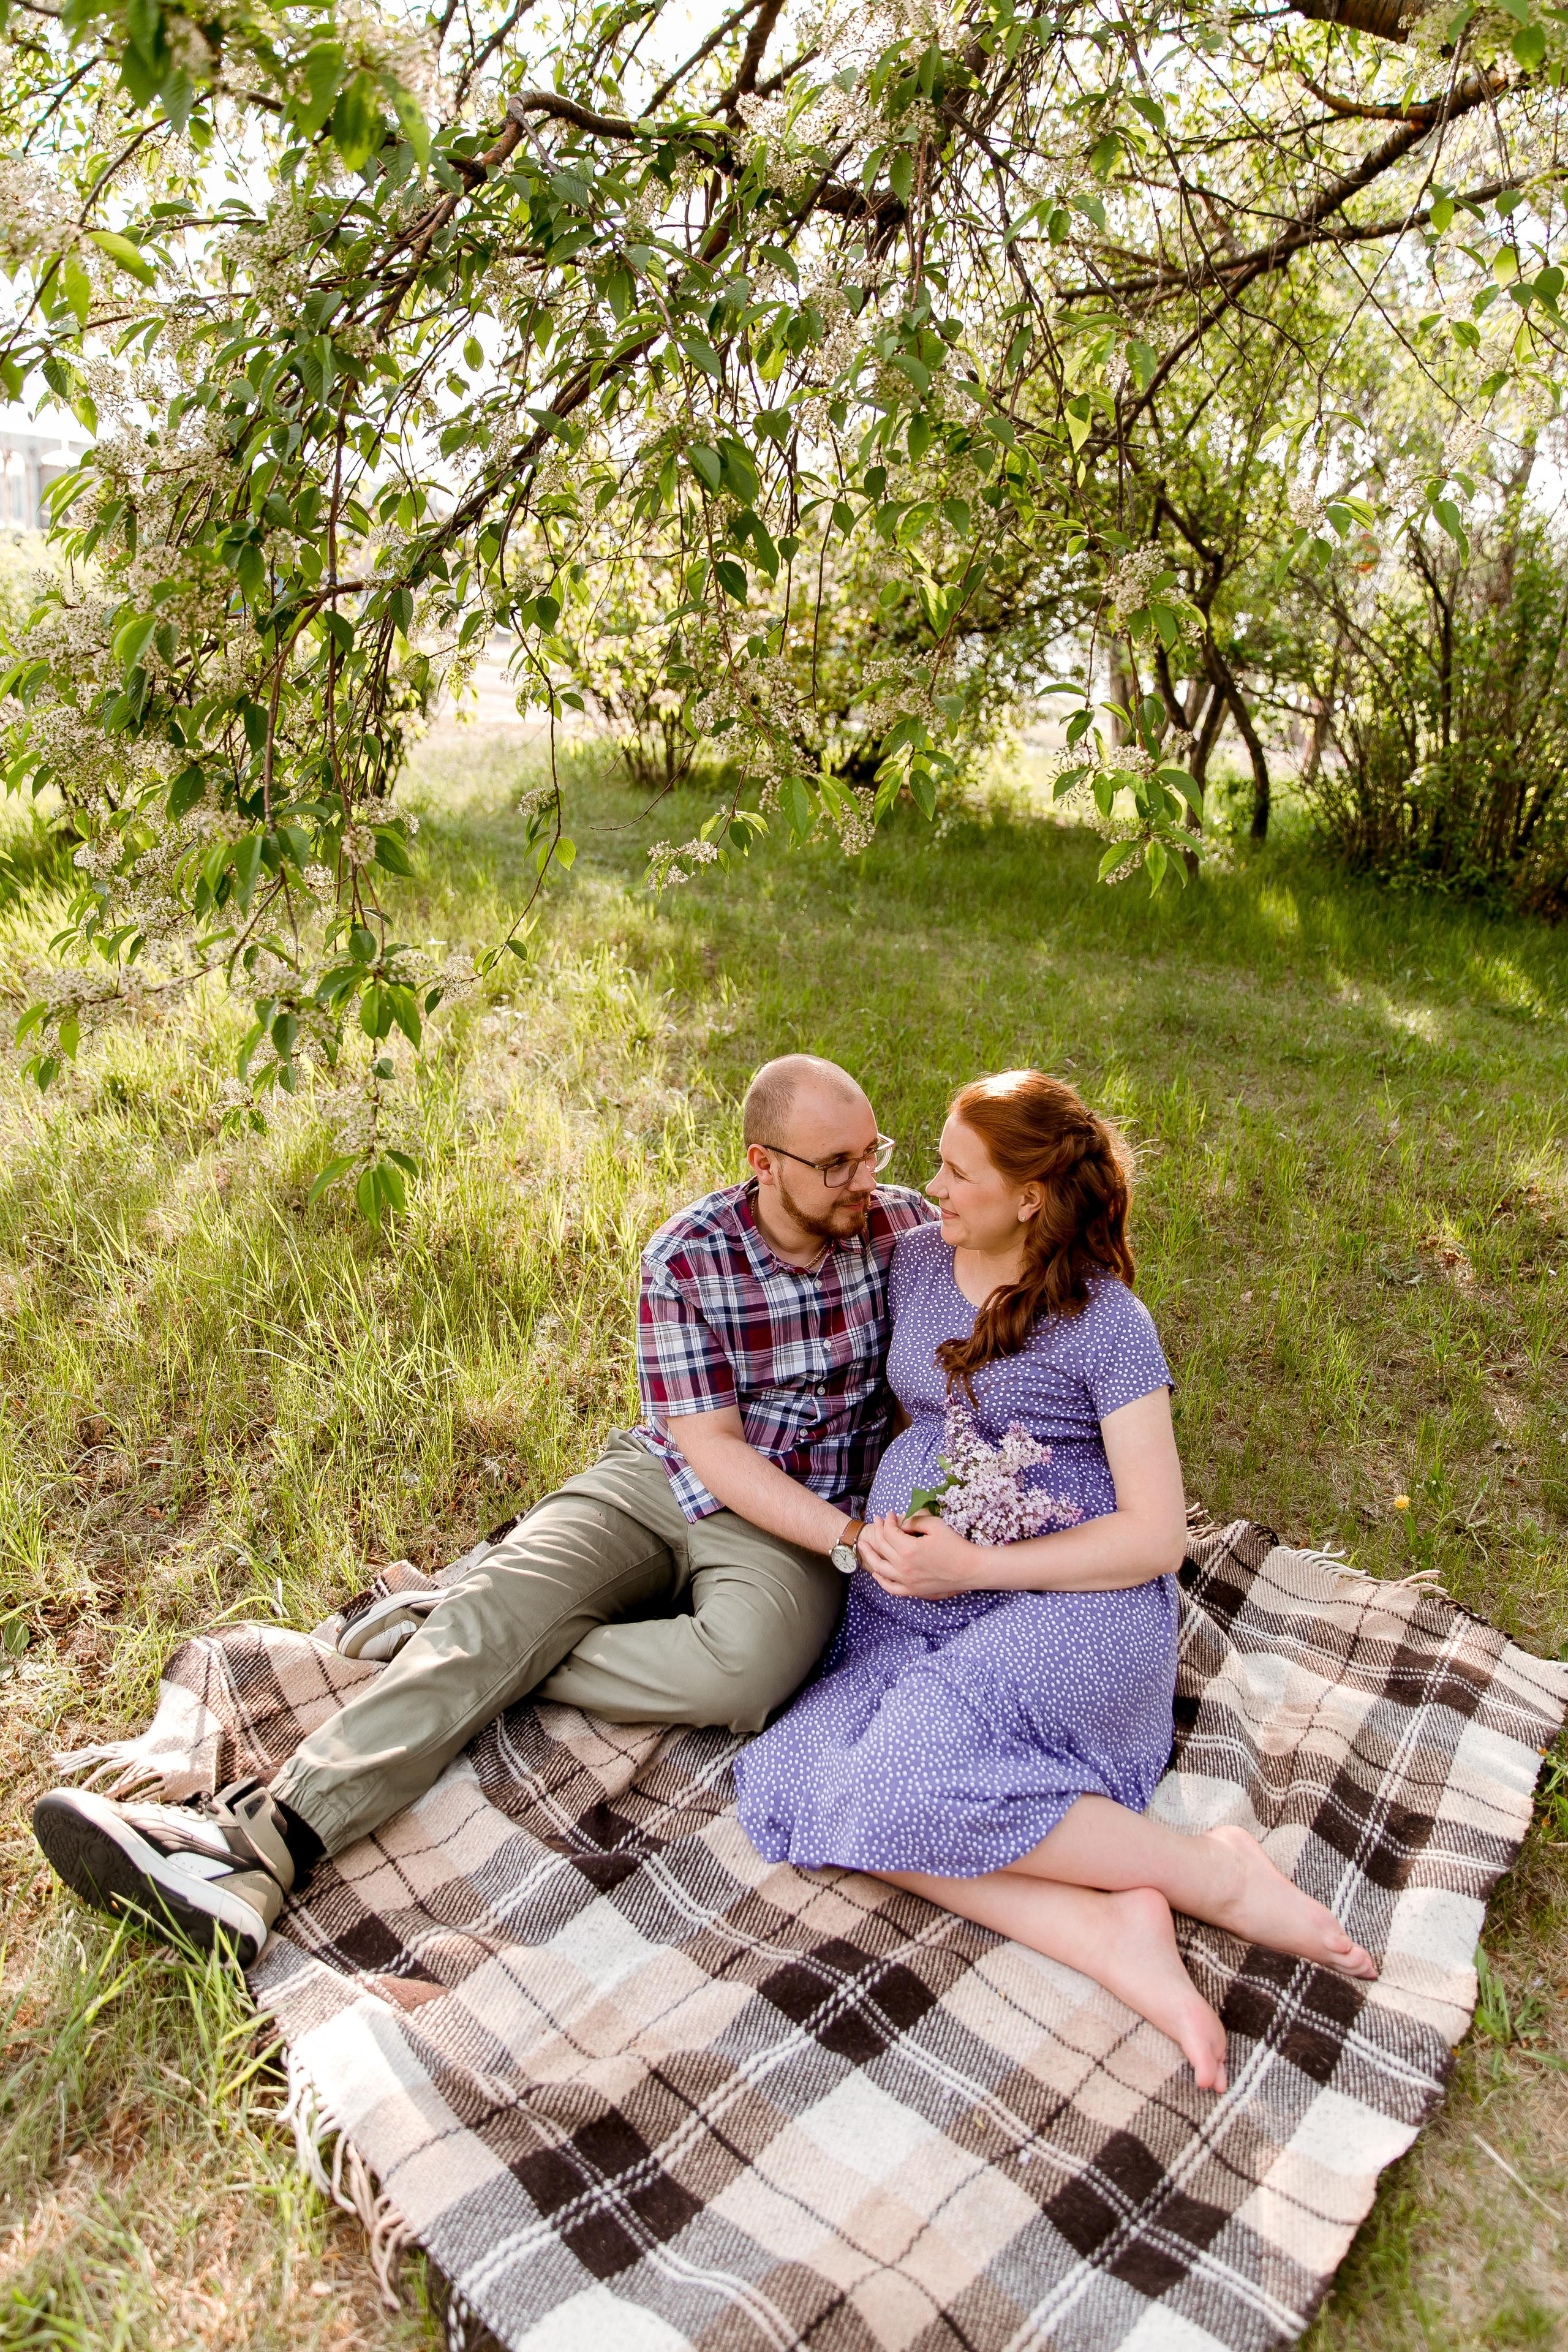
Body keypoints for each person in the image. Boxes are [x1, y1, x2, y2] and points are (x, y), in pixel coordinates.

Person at [33, 1054, 932, 1965]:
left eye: (871, 1152)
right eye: (837, 1164)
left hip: (796, 1515)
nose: (867, 1179)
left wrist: (854, 1528)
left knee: (742, 1676)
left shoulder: (900, 1228)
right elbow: (712, 1449)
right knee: (503, 1612)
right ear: (763, 1162)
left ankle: (447, 1622)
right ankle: (261, 1843)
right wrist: (857, 1542)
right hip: (663, 1475)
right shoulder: (687, 1256)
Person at [735, 1069, 1376, 2093]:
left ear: (1029, 1194)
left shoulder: (1109, 1324)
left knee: (899, 1777)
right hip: (913, 1619)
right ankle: (1104, 1929)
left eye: (954, 1170)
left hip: (1075, 1607)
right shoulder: (912, 1262)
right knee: (812, 1780)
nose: (927, 1186)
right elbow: (783, 1234)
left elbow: (1158, 1536)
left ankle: (1209, 1874)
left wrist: (977, 1565)